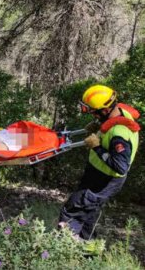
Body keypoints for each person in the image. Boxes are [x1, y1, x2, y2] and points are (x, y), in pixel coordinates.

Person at [58, 84, 140, 241]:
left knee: (73, 210)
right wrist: (99, 126)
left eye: (94, 113)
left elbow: (120, 166)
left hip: (105, 179)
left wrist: (97, 147)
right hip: (97, 173)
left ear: (105, 110)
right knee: (91, 210)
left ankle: (66, 246)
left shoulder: (119, 134)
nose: (92, 115)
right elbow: (109, 126)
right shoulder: (118, 112)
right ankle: (86, 246)